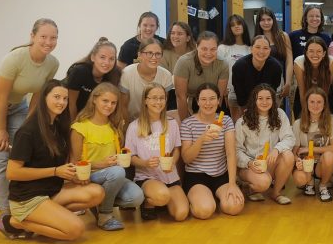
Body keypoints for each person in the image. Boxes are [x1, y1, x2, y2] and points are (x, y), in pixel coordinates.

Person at [0, 80, 104, 240]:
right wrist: (55, 171)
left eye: (65, 98)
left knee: (97, 193)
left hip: (51, 191)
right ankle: (14, 222)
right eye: (56, 97)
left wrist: (72, 175)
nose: (62, 102)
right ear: (44, 98)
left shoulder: (58, 126)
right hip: (27, 198)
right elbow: (12, 173)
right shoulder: (27, 131)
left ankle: (44, 219)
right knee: (76, 230)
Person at [0, 18, 60, 218]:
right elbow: (1, 98)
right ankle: (5, 214)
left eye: (53, 38)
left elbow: (37, 95)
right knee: (0, 158)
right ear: (32, 36)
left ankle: (25, 204)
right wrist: (1, 129)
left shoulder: (52, 63)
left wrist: (29, 126)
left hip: (18, 106)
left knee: (24, 153)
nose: (48, 42)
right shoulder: (15, 58)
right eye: (43, 37)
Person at [70, 82, 145, 231]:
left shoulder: (114, 127)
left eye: (113, 103)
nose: (109, 106)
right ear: (94, 99)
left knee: (137, 197)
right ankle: (105, 215)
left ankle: (98, 203)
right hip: (89, 176)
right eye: (105, 101)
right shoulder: (80, 128)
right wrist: (101, 164)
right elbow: (74, 163)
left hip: (112, 176)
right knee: (117, 172)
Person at [180, 84, 244, 218]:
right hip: (196, 176)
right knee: (205, 211)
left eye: (212, 99)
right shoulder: (187, 124)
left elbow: (231, 154)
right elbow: (186, 158)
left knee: (235, 207)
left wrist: (232, 184)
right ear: (197, 101)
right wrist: (201, 139)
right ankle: (199, 200)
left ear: (218, 100)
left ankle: (215, 198)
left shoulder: (226, 120)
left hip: (221, 175)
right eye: (203, 99)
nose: (208, 103)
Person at [125, 85, 186, 221]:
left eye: (161, 98)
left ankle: (161, 201)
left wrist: (173, 161)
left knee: (181, 214)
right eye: (154, 98)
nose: (158, 102)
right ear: (145, 100)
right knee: (162, 196)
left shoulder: (172, 123)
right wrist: (145, 163)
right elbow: (130, 157)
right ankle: (148, 202)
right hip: (147, 177)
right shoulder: (134, 126)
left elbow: (177, 149)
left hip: (170, 177)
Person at [235, 84, 295, 204]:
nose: (264, 102)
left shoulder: (280, 114)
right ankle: (249, 187)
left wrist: (277, 149)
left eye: (268, 98)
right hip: (250, 165)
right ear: (254, 100)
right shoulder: (243, 121)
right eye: (260, 98)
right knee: (263, 183)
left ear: (273, 100)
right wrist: (249, 163)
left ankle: (276, 193)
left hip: (270, 162)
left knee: (288, 155)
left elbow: (289, 138)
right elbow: (237, 150)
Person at [291, 87, 333, 202]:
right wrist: (298, 160)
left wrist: (309, 149)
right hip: (306, 163)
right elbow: (295, 151)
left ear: (324, 104)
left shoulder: (331, 119)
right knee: (299, 179)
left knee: (329, 155)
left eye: (319, 102)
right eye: (312, 102)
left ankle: (323, 185)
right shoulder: (298, 123)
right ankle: (309, 183)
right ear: (306, 103)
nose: (315, 105)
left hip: (322, 163)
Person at [173, 31, 229, 122]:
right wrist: (185, 122)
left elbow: (219, 97)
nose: (208, 53)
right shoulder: (184, 62)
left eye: (213, 49)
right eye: (204, 49)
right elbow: (180, 96)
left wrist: (211, 121)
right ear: (197, 47)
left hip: (213, 102)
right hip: (190, 101)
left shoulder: (223, 64)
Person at [64, 37, 122, 121]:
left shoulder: (115, 75)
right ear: (93, 57)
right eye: (102, 57)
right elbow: (71, 104)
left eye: (111, 59)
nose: (107, 62)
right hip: (73, 117)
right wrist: (74, 125)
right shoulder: (79, 72)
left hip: (93, 119)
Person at [120, 38, 173, 121]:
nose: (154, 57)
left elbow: (162, 105)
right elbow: (123, 106)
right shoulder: (127, 73)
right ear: (139, 55)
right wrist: (128, 125)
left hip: (156, 120)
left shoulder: (166, 75)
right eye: (149, 53)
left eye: (158, 54)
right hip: (131, 121)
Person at [231, 35, 283, 109]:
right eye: (258, 47)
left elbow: (272, 92)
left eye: (265, 48)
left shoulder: (276, 67)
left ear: (269, 50)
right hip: (244, 102)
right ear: (251, 49)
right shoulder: (239, 66)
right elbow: (240, 96)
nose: (261, 51)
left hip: (266, 102)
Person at [218, 14, 252, 122]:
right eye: (233, 25)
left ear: (244, 26)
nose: (236, 26)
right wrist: (223, 91)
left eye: (239, 23)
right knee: (228, 124)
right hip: (227, 93)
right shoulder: (223, 48)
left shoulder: (250, 48)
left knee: (246, 123)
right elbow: (219, 71)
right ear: (229, 29)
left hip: (246, 93)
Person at [254, 7, 292, 101]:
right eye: (263, 20)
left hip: (278, 82)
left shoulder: (283, 36)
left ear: (273, 20)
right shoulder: (256, 39)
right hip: (259, 83)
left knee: (275, 109)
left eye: (269, 19)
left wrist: (288, 82)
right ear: (258, 22)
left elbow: (289, 61)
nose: (266, 23)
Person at [294, 36, 333, 119]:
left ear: (324, 53)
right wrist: (306, 113)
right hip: (305, 95)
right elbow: (302, 91)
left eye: (319, 51)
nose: (315, 55)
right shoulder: (299, 62)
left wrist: (323, 112)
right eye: (311, 51)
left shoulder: (330, 61)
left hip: (325, 95)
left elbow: (327, 90)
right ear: (306, 52)